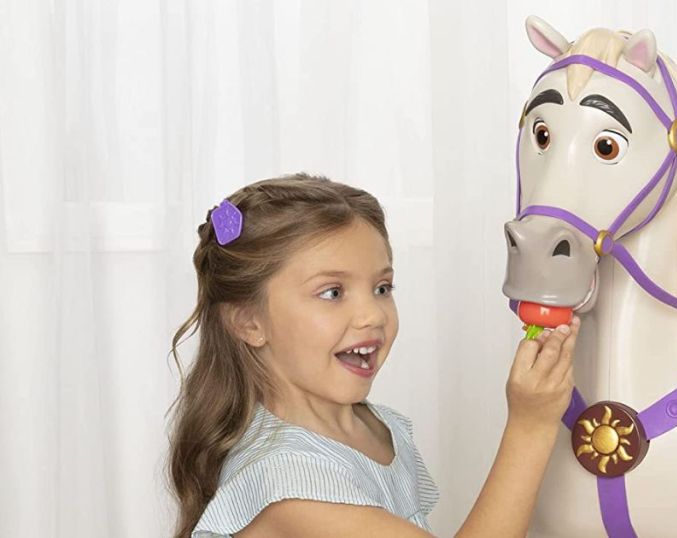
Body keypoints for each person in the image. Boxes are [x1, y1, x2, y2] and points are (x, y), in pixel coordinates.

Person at [168, 172, 579, 537]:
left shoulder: (373, 428)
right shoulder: (288, 484)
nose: (371, 315)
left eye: (382, 288)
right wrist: (531, 425)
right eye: (332, 292)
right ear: (248, 322)